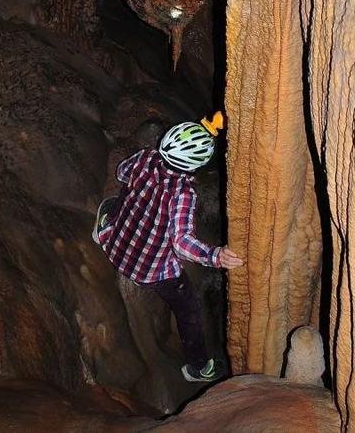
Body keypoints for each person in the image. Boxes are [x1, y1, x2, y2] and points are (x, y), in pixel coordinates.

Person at [93, 113, 243, 382]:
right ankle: (198, 368)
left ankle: (102, 231)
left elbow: (121, 173)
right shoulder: (184, 193)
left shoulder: (146, 158)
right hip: (150, 271)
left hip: (116, 245)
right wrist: (215, 256)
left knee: (118, 201)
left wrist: (208, 128)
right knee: (189, 311)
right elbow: (182, 242)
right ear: (194, 168)